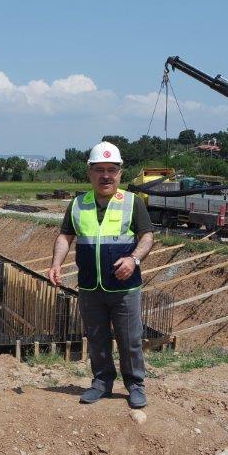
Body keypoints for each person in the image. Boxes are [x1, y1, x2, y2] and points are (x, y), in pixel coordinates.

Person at [47, 142, 155, 408]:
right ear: (90, 173)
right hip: (90, 287)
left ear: (120, 173)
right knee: (96, 338)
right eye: (99, 170)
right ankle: (102, 382)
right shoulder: (77, 204)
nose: (105, 175)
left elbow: (147, 236)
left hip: (124, 288)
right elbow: (65, 236)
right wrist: (56, 263)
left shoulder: (132, 203)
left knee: (129, 340)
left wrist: (134, 259)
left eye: (111, 170)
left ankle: (135, 385)